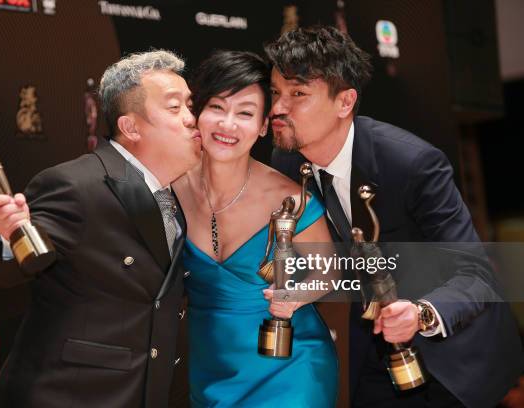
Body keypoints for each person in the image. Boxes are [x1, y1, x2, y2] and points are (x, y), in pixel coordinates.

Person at [267, 26, 522, 408]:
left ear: (345, 102)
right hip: (367, 350)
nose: (278, 108)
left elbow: (476, 274)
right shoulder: (286, 160)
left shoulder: (412, 164)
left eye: (298, 94)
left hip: (451, 361)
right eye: (276, 93)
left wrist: (420, 314)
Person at [0, 50, 201, 407]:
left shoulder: (173, 196)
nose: (191, 119)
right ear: (130, 127)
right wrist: (8, 236)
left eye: (189, 107)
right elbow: (8, 273)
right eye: (175, 107)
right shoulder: (74, 185)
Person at [172, 50, 338, 407]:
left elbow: (329, 274)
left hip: (290, 367)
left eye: (245, 113)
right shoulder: (170, 189)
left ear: (263, 125)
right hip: (212, 372)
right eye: (216, 107)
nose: (227, 125)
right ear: (196, 113)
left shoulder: (291, 199)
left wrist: (295, 298)